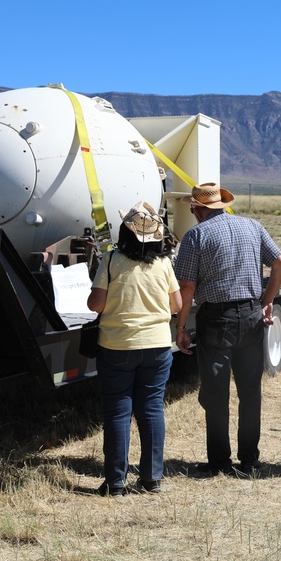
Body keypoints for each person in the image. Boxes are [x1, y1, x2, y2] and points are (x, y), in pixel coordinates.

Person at [174, 183, 281, 477]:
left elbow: (187, 287)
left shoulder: (196, 236)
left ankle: (219, 461)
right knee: (250, 392)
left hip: (216, 319)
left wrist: (182, 326)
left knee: (216, 392)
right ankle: (249, 459)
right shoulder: (252, 226)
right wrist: (267, 301)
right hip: (250, 314)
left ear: (198, 211)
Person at [88, 202, 182, 497]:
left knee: (118, 412)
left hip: (116, 345)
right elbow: (176, 305)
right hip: (156, 345)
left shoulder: (112, 260)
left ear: (124, 233)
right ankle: (151, 479)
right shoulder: (164, 263)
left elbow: (96, 305)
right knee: (152, 409)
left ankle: (115, 483)